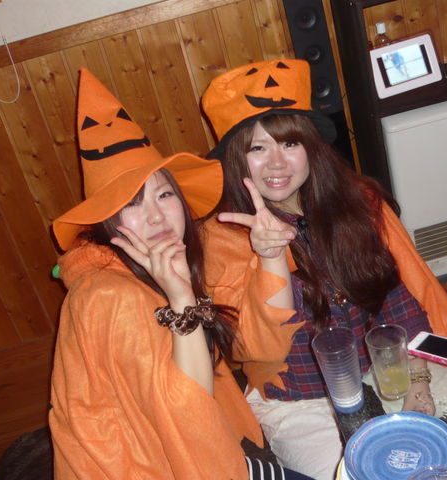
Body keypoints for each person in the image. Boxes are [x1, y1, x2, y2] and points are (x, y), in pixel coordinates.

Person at [200, 59, 447, 479]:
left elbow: (398, 297)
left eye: (289, 143)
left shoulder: (357, 201)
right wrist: (270, 258)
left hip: (388, 361)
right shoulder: (222, 236)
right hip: (300, 394)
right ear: (237, 158)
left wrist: (418, 379)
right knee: (350, 472)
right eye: (257, 148)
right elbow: (255, 350)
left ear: (311, 147)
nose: (276, 163)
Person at [49, 68, 313, 480]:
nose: (156, 216)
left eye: (164, 194)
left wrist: (272, 256)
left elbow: (265, 346)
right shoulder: (109, 295)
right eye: (132, 203)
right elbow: (188, 417)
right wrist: (183, 302)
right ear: (105, 221)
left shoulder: (156, 269)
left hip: (204, 447)